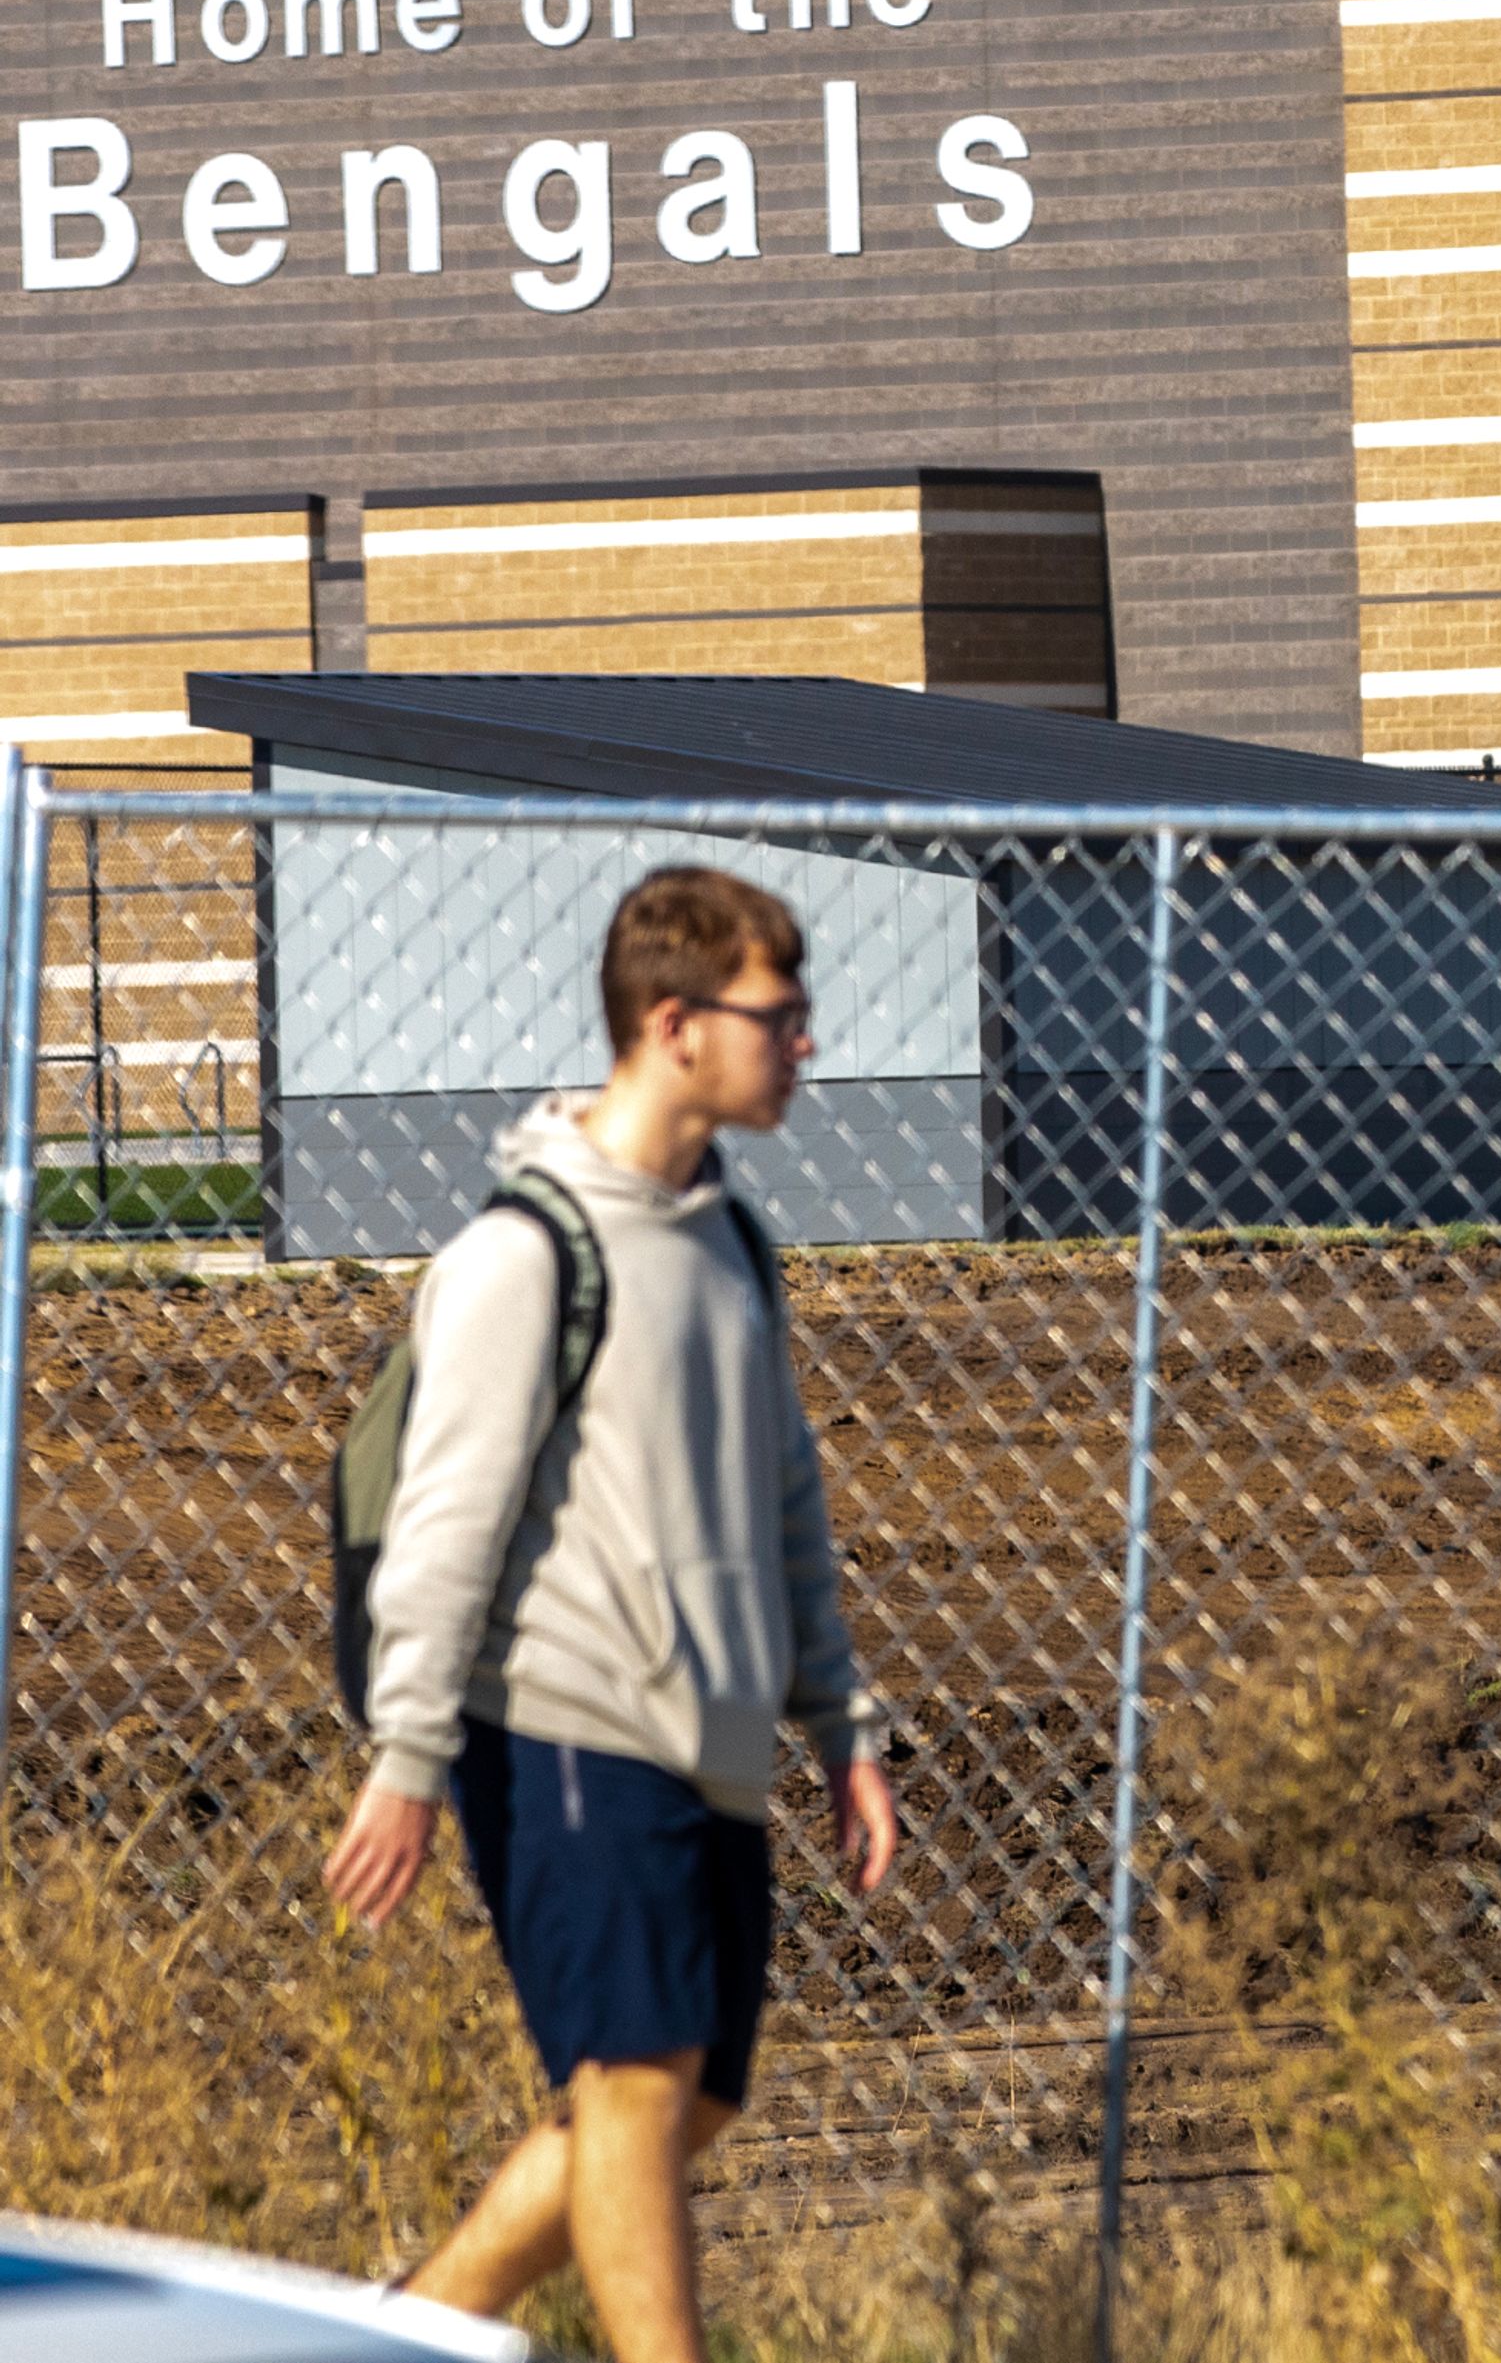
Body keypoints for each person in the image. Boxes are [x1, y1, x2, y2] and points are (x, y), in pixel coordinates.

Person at [321, 865, 898, 2363]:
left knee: (684, 2095)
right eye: (781, 1014)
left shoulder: (733, 1245)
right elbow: (443, 1526)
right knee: (637, 2077)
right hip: (564, 1720)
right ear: (673, 1021)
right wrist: (407, 1756)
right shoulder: (525, 1255)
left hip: (705, 1731)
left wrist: (841, 1727)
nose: (806, 1044)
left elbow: (787, 1501)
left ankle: (409, 2334)